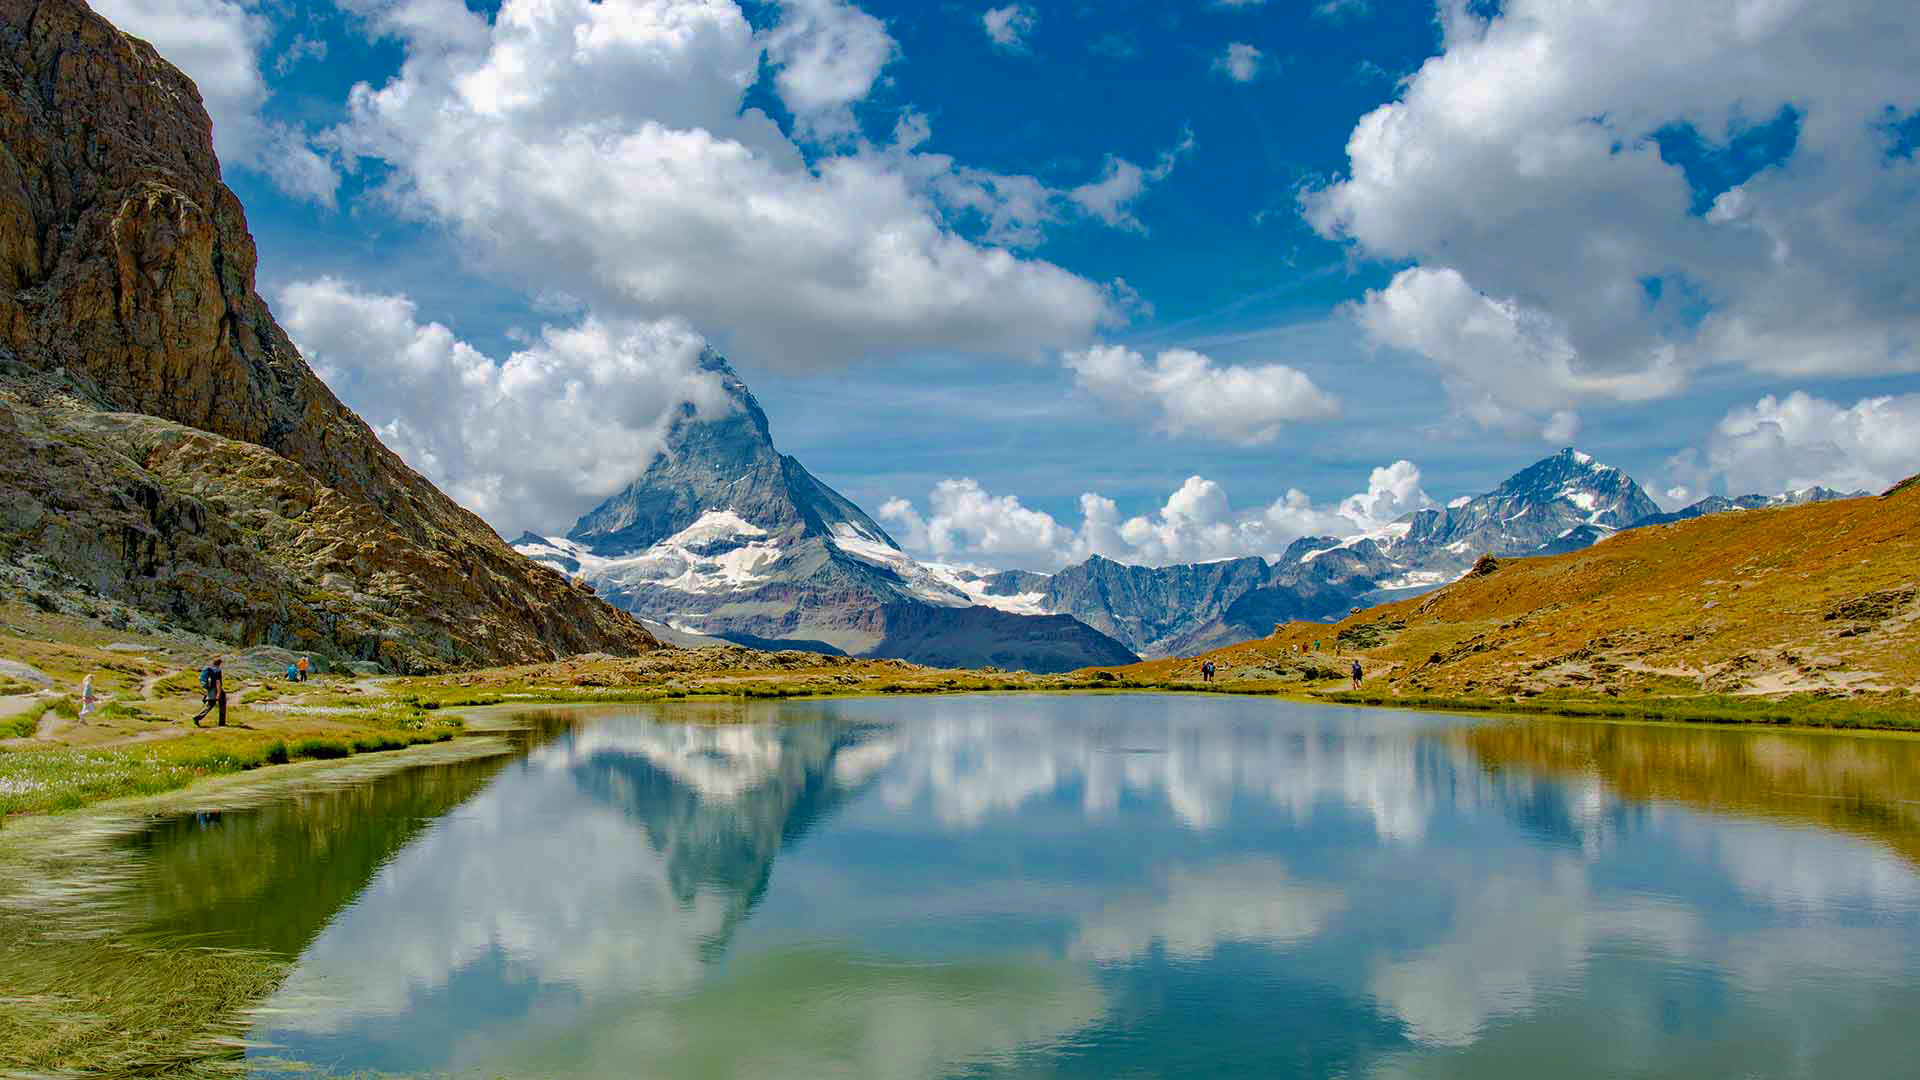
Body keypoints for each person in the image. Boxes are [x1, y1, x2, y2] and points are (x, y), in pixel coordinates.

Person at [192, 657, 227, 727]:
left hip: (211, 690)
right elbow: (218, 682)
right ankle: (221, 723)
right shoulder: (217, 671)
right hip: (216, 690)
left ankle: (197, 717)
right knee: (222, 703)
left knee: (210, 705)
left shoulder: (210, 670)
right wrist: (219, 693)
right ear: (220, 664)